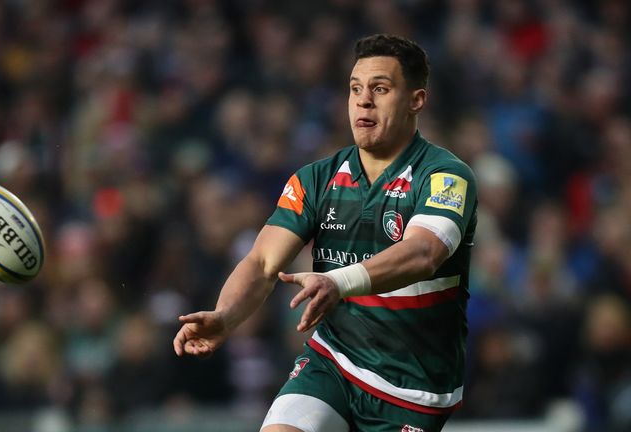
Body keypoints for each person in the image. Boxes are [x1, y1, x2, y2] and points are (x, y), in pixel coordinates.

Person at [173, 34, 477, 432]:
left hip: (413, 389)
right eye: (355, 89)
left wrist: (338, 281)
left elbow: (424, 253)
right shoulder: (317, 179)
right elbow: (263, 262)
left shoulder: (445, 176)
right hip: (333, 362)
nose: (363, 101)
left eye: (380, 89)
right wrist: (226, 315)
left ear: (416, 100)